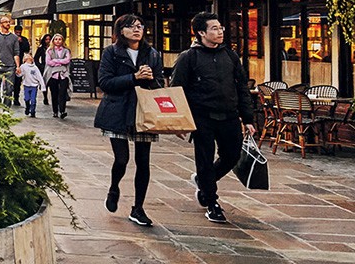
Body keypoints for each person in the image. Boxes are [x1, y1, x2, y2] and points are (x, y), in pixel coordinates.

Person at [172, 12, 255, 224]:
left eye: (221, 28)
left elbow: (241, 87)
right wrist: (179, 121)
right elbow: (176, 91)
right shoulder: (188, 58)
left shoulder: (230, 55)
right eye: (215, 29)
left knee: (232, 155)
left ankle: (203, 181)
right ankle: (211, 202)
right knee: (205, 160)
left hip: (229, 115)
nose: (220, 32)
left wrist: (248, 118)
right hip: (202, 117)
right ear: (201, 32)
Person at [94, 13, 165, 228]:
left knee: (143, 161)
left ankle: (138, 208)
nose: (137, 29)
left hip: (144, 113)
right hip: (118, 111)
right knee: (122, 159)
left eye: (140, 26)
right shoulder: (111, 53)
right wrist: (133, 78)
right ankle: (114, 187)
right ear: (120, 31)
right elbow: (105, 82)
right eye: (131, 26)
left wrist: (151, 78)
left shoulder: (152, 54)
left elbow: (159, 84)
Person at [0, 14, 21, 104]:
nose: (8, 24)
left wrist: (17, 66)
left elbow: (16, 53)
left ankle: (6, 108)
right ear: (1, 24)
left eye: (9, 22)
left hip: (10, 66)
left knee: (9, 89)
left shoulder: (14, 38)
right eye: (6, 22)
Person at [43, 33, 72, 118]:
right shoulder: (49, 50)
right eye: (56, 39)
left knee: (63, 92)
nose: (58, 41)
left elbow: (67, 60)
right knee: (54, 93)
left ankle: (62, 110)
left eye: (60, 39)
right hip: (53, 74)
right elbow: (49, 62)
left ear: (62, 41)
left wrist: (56, 61)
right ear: (53, 41)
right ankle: (55, 111)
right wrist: (60, 62)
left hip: (63, 74)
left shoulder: (66, 50)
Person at [12, 25, 32, 106]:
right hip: (10, 62)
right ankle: (9, 97)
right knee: (10, 82)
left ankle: (16, 98)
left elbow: (26, 49)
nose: (18, 33)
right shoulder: (11, 38)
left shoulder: (24, 39)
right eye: (17, 32)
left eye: (19, 32)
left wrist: (21, 42)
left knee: (18, 81)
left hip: (20, 64)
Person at [34, 33, 53, 106]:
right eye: (46, 39)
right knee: (45, 84)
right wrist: (40, 66)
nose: (48, 41)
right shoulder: (41, 48)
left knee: (52, 84)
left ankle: (54, 98)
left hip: (52, 68)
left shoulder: (54, 49)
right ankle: (45, 97)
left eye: (49, 39)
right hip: (44, 68)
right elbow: (36, 58)